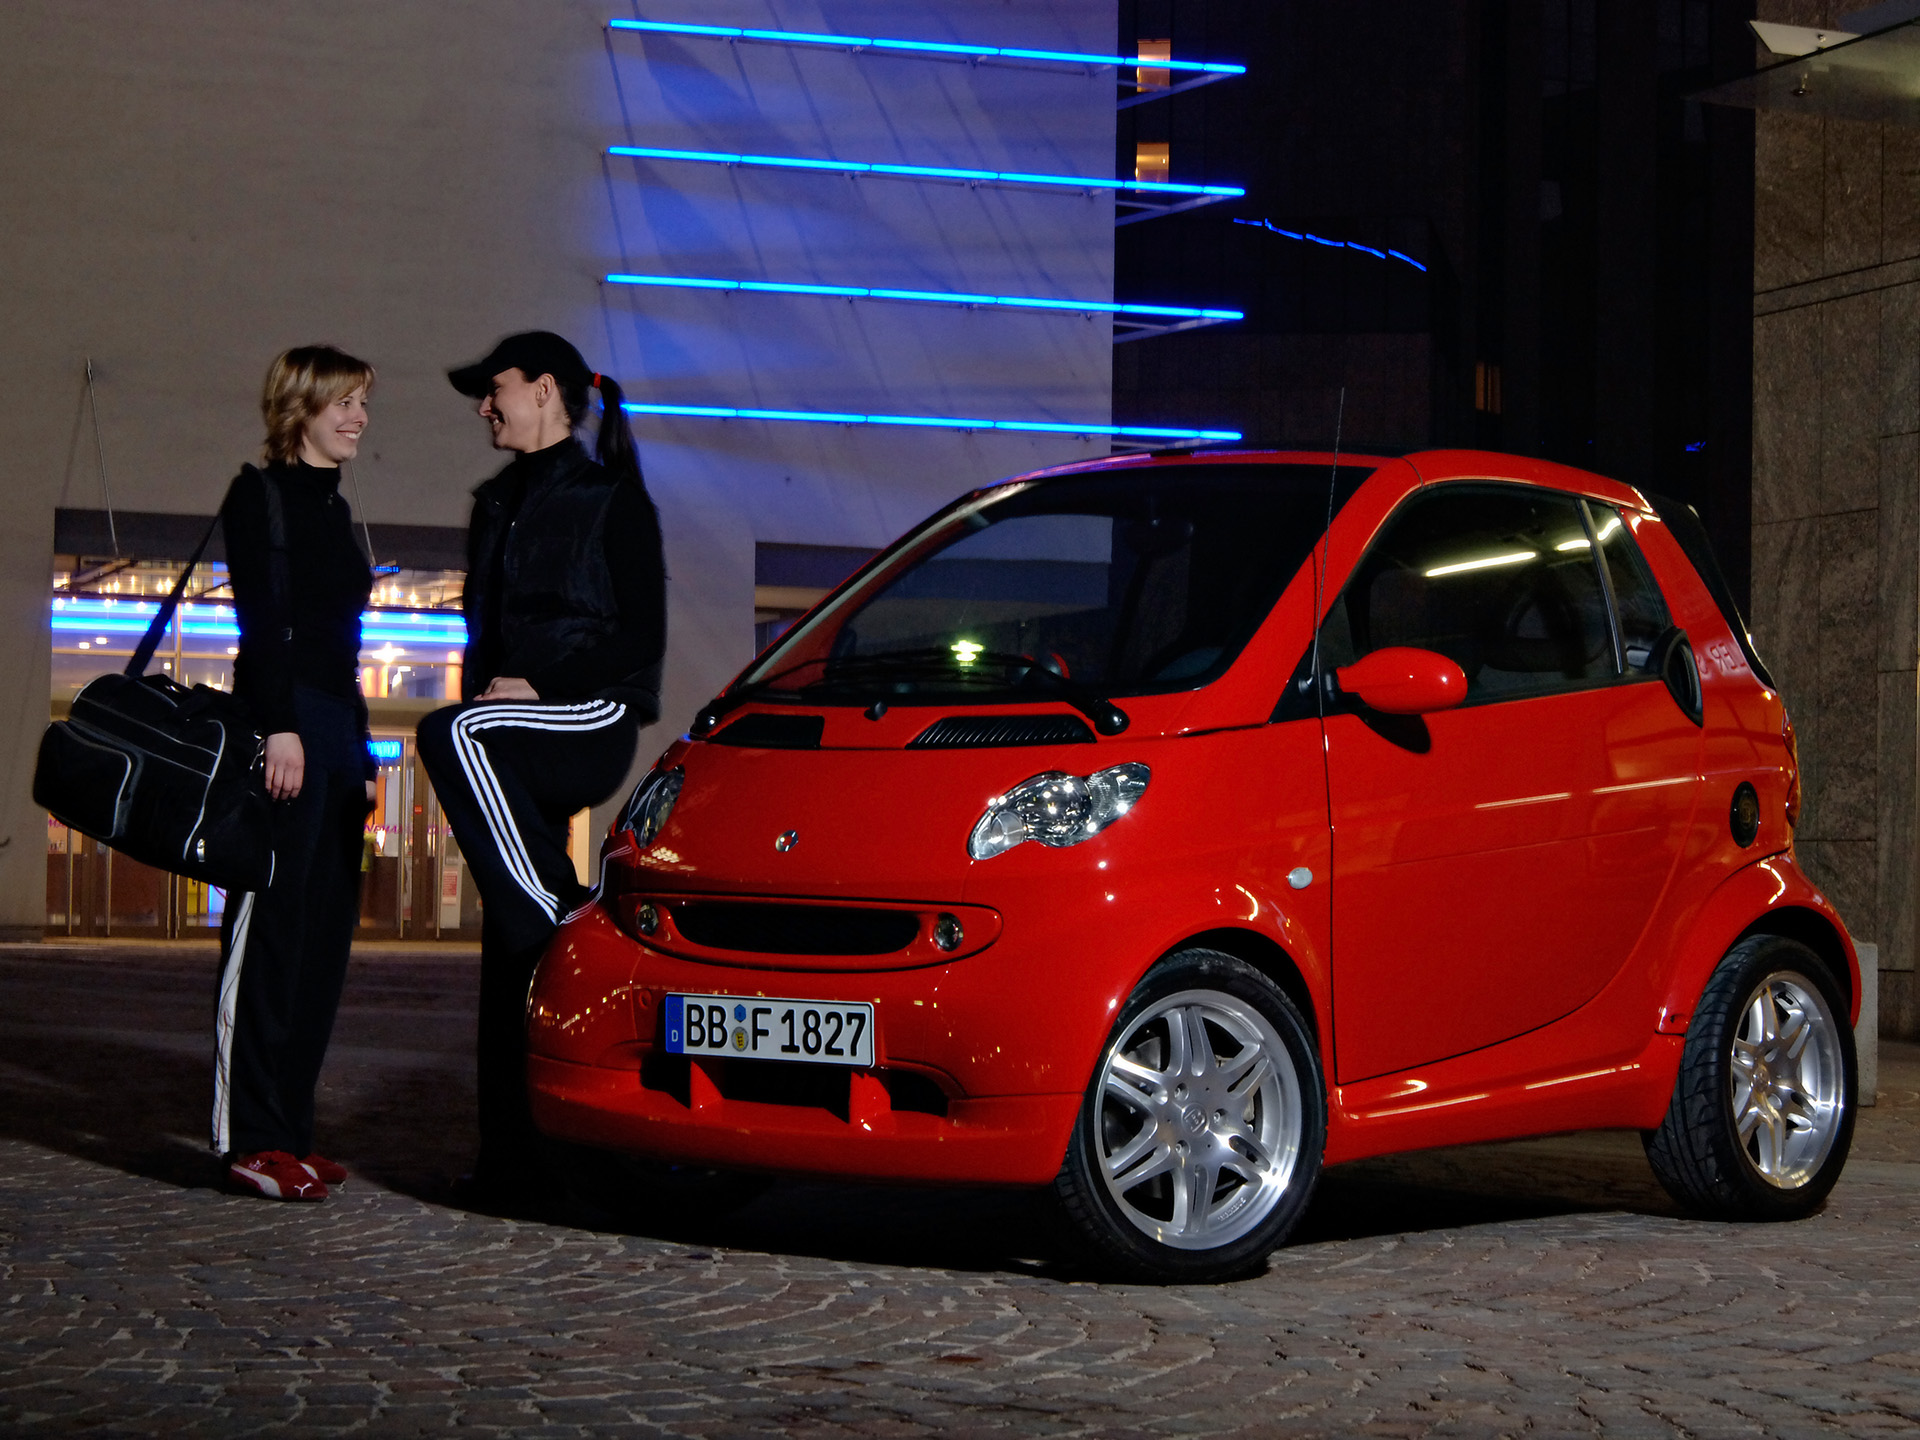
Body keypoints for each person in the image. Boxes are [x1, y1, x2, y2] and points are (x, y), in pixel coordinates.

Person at [416, 331, 666, 1208]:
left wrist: (540, 682)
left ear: (546, 390)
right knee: (507, 947)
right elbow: (484, 633)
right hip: (512, 721)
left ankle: (565, 914)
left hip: (587, 713)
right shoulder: (493, 502)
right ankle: (521, 1170)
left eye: (497, 389)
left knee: (451, 734)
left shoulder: (611, 500)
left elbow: (641, 640)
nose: (485, 405)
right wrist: (495, 689)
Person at [214, 345, 379, 1201]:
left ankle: (294, 1132)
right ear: (301, 408)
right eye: (343, 402)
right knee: (270, 931)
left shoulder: (338, 508)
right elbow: (262, 623)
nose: (357, 417)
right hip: (287, 721)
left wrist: (359, 752)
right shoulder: (262, 494)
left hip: (338, 732)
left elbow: (343, 646)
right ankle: (250, 1138)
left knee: (322, 940)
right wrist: (281, 724)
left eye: (360, 403)